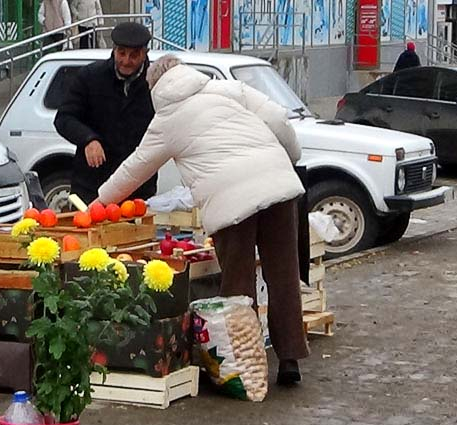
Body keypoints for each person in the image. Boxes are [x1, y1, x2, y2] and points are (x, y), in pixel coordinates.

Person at [95, 56, 310, 385]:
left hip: (229, 200)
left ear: (155, 86)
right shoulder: (229, 89)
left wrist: (97, 203)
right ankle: (290, 358)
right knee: (283, 273)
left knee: (238, 283)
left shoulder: (167, 118)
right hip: (278, 184)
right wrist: (290, 159)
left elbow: (134, 169)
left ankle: (244, 368)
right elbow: (279, 119)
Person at [54, 22, 157, 204]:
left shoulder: (156, 82)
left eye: (134, 55)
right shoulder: (89, 76)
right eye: (122, 53)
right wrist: (88, 139)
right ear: (114, 50)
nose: (126, 61)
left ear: (145, 53)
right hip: (91, 186)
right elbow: (64, 118)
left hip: (137, 189)